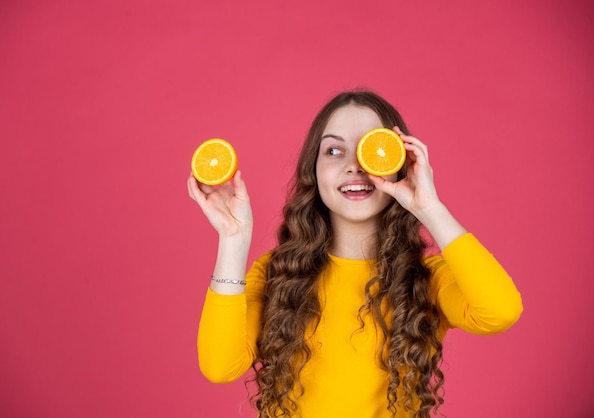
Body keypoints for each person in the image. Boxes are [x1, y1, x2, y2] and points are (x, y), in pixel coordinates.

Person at [187, 90, 523, 418]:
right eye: (334, 151)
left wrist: (429, 206)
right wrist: (233, 238)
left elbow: (500, 311)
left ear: (400, 165)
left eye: (372, 150)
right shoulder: (276, 274)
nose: (354, 166)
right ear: (313, 171)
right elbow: (220, 366)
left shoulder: (426, 279)